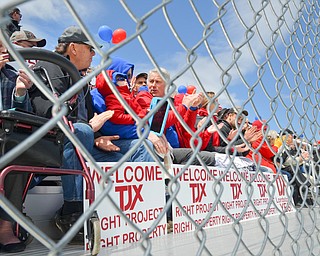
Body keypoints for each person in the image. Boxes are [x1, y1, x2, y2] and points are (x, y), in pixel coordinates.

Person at [29, 26, 154, 241]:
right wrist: (90, 129)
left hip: (83, 144)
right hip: (52, 144)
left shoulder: (81, 79)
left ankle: (142, 210)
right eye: (91, 49)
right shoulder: (48, 66)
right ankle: (72, 210)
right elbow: (46, 112)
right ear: (74, 48)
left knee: (142, 146)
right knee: (83, 130)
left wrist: (97, 137)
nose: (94, 54)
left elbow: (89, 123)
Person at [0, 40, 33, 253]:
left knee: (19, 153)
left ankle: (5, 227)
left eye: (5, 48)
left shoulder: (12, 76)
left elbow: (25, 116)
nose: (4, 52)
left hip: (5, 137)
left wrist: (20, 93)